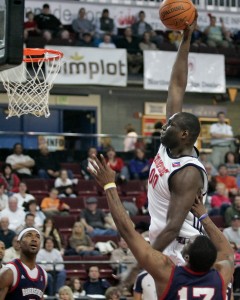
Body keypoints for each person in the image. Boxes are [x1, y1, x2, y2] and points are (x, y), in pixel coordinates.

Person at [87, 154, 234, 299]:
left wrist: (109, 185)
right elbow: (227, 252)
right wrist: (203, 215)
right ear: (214, 262)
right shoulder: (221, 275)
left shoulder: (167, 274)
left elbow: (127, 231)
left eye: (189, 242)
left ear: (186, 257)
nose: (188, 240)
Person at [0, 227, 47, 299]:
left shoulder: (43, 274)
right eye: (29, 235)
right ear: (19, 243)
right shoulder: (10, 271)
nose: (34, 239)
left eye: (37, 237)